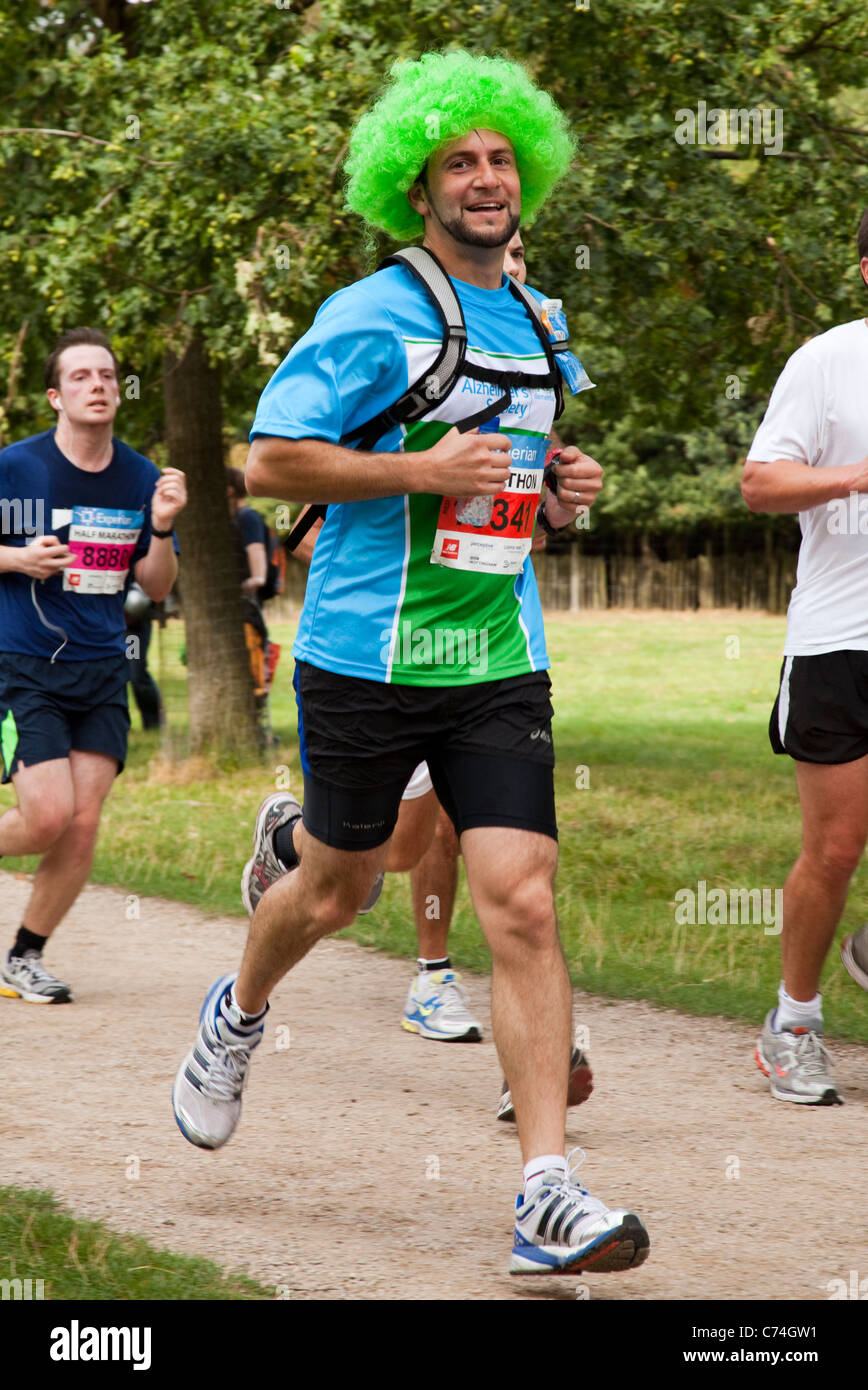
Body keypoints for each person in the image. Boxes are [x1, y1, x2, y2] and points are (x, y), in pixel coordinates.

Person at [173, 50, 649, 1277]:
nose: (486, 179)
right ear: (418, 183)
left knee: (524, 900)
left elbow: (531, 467)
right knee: (341, 889)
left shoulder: (539, 321)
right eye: (460, 161)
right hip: (365, 653)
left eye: (502, 159)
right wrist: (419, 472)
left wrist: (567, 492)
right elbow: (272, 463)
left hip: (496, 649)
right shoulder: (370, 311)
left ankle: (546, 1189)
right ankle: (238, 1013)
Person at [0, 327, 185, 1003]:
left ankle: (23, 956)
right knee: (46, 816)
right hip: (24, 662)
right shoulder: (15, 468)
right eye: (80, 377)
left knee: (82, 822)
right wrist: (17, 559)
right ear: (55, 395)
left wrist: (161, 526)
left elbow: (158, 586)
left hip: (103, 667)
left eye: (106, 375)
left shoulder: (140, 476)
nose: (98, 385)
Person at [742, 208, 868, 1103]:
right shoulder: (826, 361)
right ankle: (793, 1022)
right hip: (840, 639)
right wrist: (859, 476)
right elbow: (762, 481)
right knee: (835, 847)